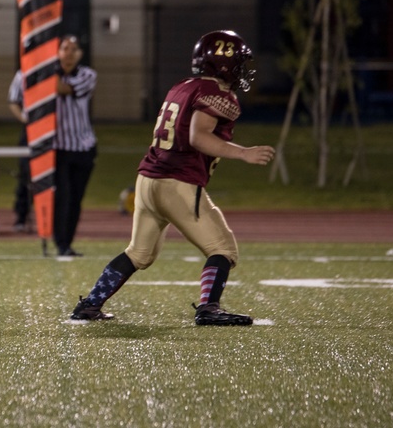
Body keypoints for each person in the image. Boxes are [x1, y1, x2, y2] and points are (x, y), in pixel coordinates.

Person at [69, 30, 275, 326]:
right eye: (239, 62)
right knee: (223, 249)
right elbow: (198, 137)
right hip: (177, 182)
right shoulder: (218, 94)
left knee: (139, 253)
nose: (242, 69)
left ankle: (90, 304)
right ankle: (209, 308)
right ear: (223, 63)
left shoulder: (183, 85)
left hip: (148, 180)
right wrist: (243, 153)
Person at [52, 34, 98, 256]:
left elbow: (64, 89)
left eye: (73, 49)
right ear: (58, 52)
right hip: (58, 147)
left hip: (82, 146)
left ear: (80, 54)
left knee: (76, 198)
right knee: (62, 196)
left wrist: (40, 70)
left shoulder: (88, 75)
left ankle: (67, 243)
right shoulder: (50, 75)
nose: (69, 53)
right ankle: (60, 242)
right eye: (65, 48)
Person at [7, 69, 31, 233]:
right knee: (25, 174)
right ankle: (21, 216)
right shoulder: (23, 74)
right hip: (30, 131)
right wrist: (25, 119)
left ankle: (56, 222)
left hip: (56, 132)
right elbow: (13, 101)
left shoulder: (57, 71)